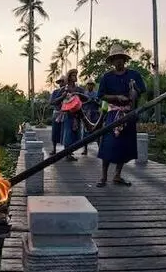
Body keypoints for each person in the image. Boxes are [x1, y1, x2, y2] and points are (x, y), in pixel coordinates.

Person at [96, 44, 146, 187]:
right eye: (115, 59)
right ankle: (104, 176)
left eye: (120, 58)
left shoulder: (134, 75)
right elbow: (101, 96)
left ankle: (117, 175)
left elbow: (141, 91)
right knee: (109, 144)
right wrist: (117, 97)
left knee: (124, 145)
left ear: (124, 60)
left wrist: (133, 89)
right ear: (112, 61)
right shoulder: (107, 77)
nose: (118, 61)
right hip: (113, 114)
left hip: (129, 113)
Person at [60, 68, 86, 161]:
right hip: (68, 114)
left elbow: (86, 98)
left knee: (76, 134)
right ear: (69, 77)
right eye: (73, 75)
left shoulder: (79, 89)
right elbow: (55, 101)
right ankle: (67, 154)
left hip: (78, 114)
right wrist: (63, 98)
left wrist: (78, 94)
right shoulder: (65, 89)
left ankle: (70, 152)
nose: (75, 77)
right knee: (68, 134)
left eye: (76, 75)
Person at [81, 80, 101, 155]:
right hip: (87, 114)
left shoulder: (96, 93)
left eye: (91, 84)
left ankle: (100, 149)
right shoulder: (84, 94)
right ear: (87, 85)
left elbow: (100, 104)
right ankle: (85, 149)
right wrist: (87, 101)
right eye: (89, 84)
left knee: (97, 131)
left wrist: (95, 101)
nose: (90, 86)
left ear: (93, 85)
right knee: (85, 132)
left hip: (95, 114)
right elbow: (81, 104)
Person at [49, 76, 66, 153]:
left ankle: (68, 151)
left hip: (66, 113)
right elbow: (51, 102)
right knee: (55, 131)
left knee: (67, 132)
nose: (62, 83)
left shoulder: (69, 91)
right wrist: (61, 97)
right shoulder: (56, 92)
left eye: (63, 82)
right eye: (60, 82)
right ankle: (54, 149)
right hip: (57, 113)